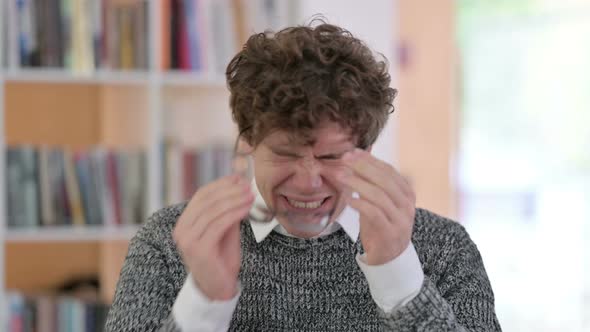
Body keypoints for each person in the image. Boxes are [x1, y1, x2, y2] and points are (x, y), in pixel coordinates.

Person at [105, 22, 502, 331]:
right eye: (285, 153)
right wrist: (205, 300)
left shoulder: (444, 248)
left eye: (330, 156)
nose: (309, 180)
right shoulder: (170, 243)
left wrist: (399, 277)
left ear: (368, 151)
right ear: (247, 143)